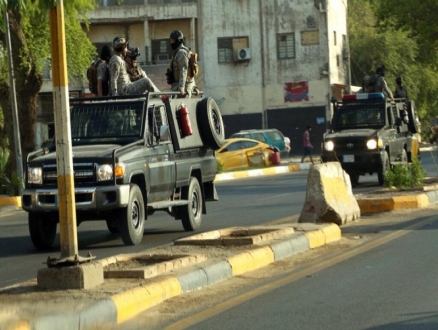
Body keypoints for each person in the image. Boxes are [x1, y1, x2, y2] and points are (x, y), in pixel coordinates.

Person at [168, 30, 195, 98]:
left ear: (178, 41)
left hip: (183, 87)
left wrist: (181, 86)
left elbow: (184, 69)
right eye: (171, 40)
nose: (171, 42)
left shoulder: (181, 52)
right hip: (177, 86)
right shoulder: (177, 52)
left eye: (173, 41)